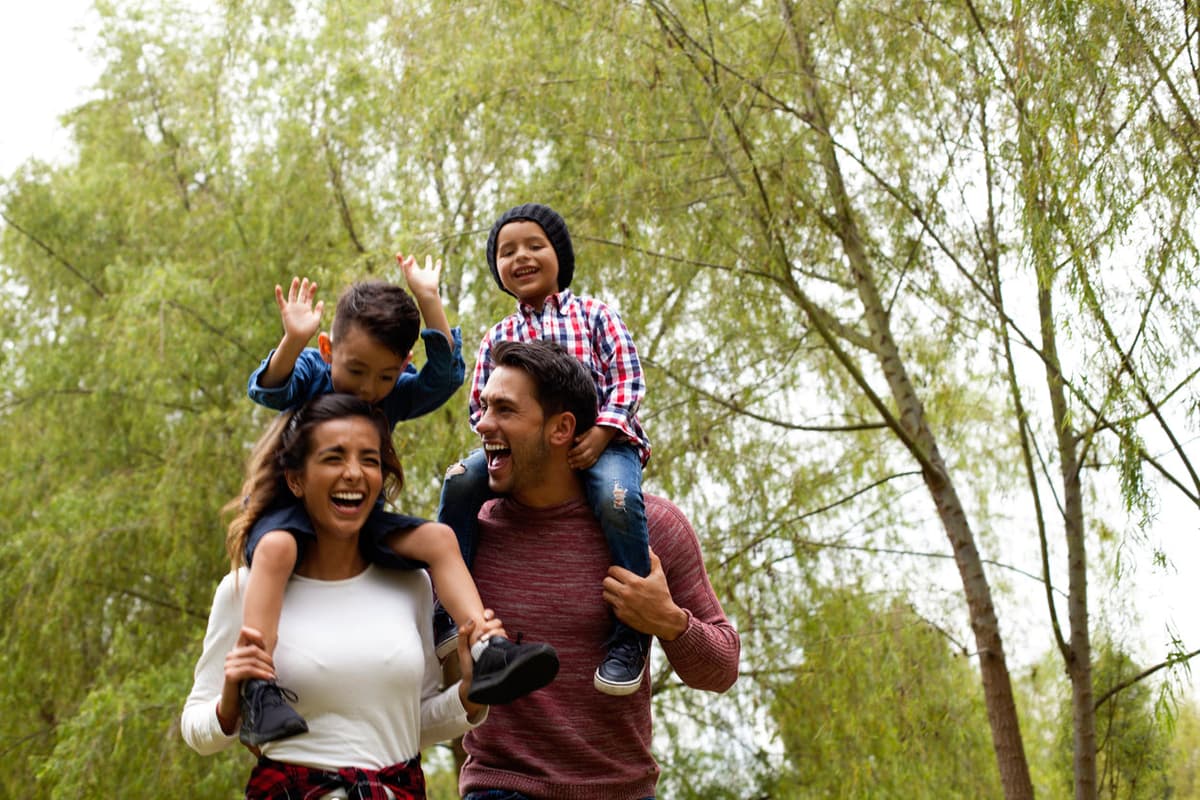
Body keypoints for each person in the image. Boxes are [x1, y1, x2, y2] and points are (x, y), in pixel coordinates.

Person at [239, 255, 557, 747]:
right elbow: (269, 389)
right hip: (289, 515)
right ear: (329, 350)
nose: (368, 390)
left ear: (401, 367)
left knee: (438, 537)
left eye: (384, 377)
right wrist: (293, 340)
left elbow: (445, 378)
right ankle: (257, 689)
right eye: (357, 371)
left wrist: (429, 300)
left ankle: (488, 646)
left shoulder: (391, 395)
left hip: (360, 519)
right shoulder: (313, 370)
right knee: (277, 549)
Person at [457, 340, 741, 800]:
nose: (483, 423)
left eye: (504, 410)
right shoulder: (467, 534)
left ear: (561, 428)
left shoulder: (655, 529)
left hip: (622, 791)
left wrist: (669, 622)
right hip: (501, 786)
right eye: (485, 406)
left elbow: (722, 669)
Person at [182, 393, 499, 798]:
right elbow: (197, 730)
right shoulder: (244, 590)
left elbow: (413, 722)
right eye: (334, 458)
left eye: (369, 460)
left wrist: (469, 698)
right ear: (296, 479)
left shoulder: (412, 584)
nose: (354, 473)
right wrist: (230, 702)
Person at [437, 203, 655, 695]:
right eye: (506, 251)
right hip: (524, 448)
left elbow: (627, 382)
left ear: (561, 255)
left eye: (535, 246)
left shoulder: (594, 315)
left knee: (616, 500)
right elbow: (479, 408)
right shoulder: (499, 336)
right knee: (459, 480)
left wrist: (600, 431)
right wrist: (499, 437)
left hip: (604, 442)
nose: (521, 257)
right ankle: (447, 608)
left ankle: (631, 633)